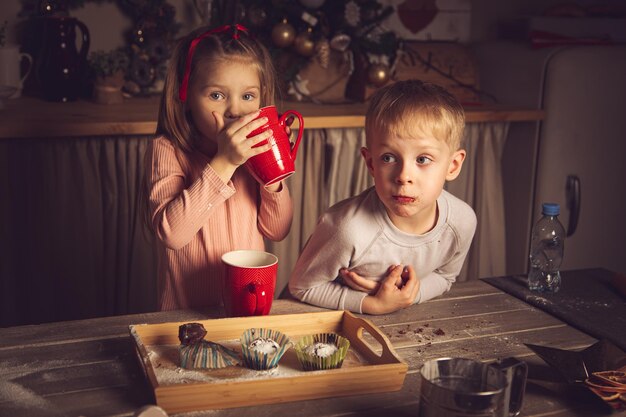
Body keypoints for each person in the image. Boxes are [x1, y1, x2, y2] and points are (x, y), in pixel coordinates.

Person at [289, 80, 476, 315]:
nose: (403, 176)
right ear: (371, 163)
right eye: (388, 158)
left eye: (422, 159)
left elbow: (445, 276)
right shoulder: (346, 229)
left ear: (453, 165)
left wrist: (406, 296)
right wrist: (373, 303)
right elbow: (301, 287)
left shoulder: (462, 221)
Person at [145, 24, 293, 311]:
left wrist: (272, 177)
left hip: (246, 311)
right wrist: (224, 163)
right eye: (216, 95)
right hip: (185, 315)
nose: (235, 111)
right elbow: (172, 235)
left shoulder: (254, 155)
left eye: (248, 96)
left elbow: (277, 229)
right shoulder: (167, 149)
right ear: (184, 97)